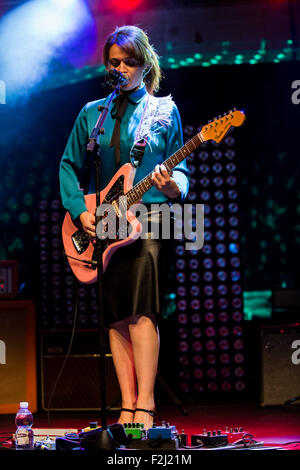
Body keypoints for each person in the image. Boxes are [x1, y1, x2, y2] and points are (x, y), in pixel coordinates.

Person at [59, 25, 189, 430]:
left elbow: (181, 171)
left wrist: (172, 185)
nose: (121, 68)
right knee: (116, 315)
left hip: (150, 219)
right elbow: (68, 165)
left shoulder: (164, 111)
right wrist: (81, 213)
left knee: (141, 309)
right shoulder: (92, 114)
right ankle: (127, 405)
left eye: (129, 62)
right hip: (102, 225)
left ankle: (146, 405)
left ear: (145, 64)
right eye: (114, 62)